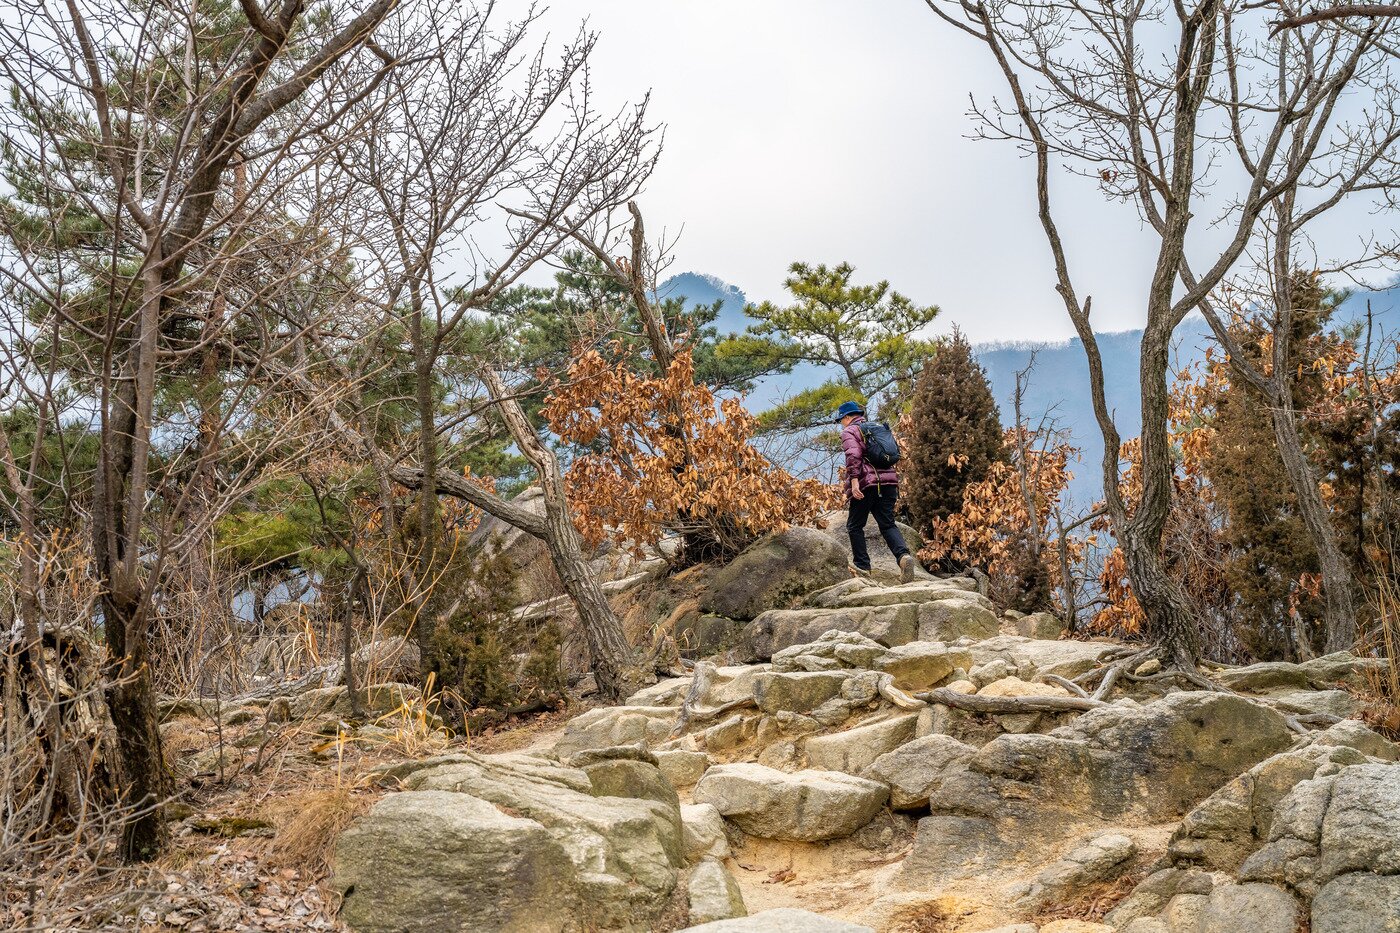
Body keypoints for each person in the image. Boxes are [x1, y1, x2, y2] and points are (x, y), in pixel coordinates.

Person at [836, 401, 917, 582]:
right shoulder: (877, 428)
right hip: (889, 484)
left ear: (848, 417)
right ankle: (903, 557)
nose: (841, 423)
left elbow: (853, 456)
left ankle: (863, 567)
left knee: (855, 525)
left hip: (867, 484)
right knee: (887, 523)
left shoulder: (850, 431)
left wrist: (855, 482)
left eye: (841, 419)